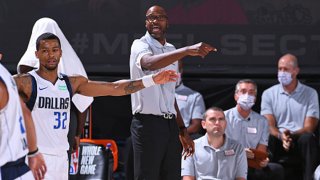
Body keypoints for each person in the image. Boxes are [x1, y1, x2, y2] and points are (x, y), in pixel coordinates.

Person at [14, 32, 178, 179]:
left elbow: (114, 88)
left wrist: (152, 80)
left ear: (61, 52)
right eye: (45, 50)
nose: (51, 55)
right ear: (36, 54)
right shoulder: (26, 82)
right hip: (36, 156)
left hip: (62, 158)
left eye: (55, 50)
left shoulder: (71, 83)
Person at [129, 5, 216, 179]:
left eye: (160, 17)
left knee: (171, 175)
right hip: (147, 123)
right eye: (151, 17)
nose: (155, 20)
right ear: (146, 22)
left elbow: (170, 95)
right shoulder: (140, 44)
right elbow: (149, 63)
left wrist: (182, 130)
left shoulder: (171, 49)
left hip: (169, 125)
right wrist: (185, 51)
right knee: (147, 176)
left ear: (167, 22)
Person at [17, 17, 93, 155]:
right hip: (61, 121)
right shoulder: (74, 63)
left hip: (44, 122)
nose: (50, 54)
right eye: (45, 50)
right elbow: (84, 103)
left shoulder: (25, 64)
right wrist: (78, 134)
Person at [260, 53, 320, 180]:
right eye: (280, 69)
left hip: (299, 138)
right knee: (267, 137)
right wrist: (281, 136)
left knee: (308, 138)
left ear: (296, 71)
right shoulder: (268, 94)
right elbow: (268, 124)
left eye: (286, 69)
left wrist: (291, 135)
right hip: (278, 138)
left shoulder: (310, 93)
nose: (282, 72)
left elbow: (309, 127)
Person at [224, 79, 284, 180]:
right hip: (227, 161)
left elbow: (261, 150)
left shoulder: (262, 121)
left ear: (255, 99)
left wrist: (262, 161)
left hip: (251, 164)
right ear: (235, 96)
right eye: (243, 91)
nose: (247, 95)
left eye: (251, 93)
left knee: (276, 169)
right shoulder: (222, 118)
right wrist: (241, 152)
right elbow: (218, 148)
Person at [0, 53, 47, 180]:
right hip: (19, 167)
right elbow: (25, 111)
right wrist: (33, 152)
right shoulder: (5, 73)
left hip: (7, 170)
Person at [181, 106, 247, 180]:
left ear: (225, 123)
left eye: (221, 119)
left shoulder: (238, 148)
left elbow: (241, 178)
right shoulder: (191, 147)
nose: (217, 123)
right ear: (203, 124)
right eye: (212, 119)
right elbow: (188, 178)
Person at [175, 61, 206, 139]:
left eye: (175, 71)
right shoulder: (157, 94)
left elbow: (196, 125)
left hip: (182, 138)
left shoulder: (195, 96)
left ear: (181, 71)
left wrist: (177, 135)